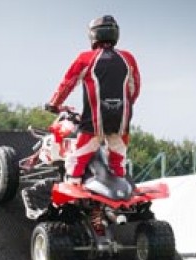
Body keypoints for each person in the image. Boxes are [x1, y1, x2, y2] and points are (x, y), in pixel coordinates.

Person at [45, 15, 140, 185]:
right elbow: (135, 89)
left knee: (76, 160)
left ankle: (71, 198)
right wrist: (124, 105)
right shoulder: (128, 58)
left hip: (93, 123)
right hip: (121, 120)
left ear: (93, 35)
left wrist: (54, 104)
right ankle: (117, 201)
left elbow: (67, 84)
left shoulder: (85, 58)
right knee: (118, 164)